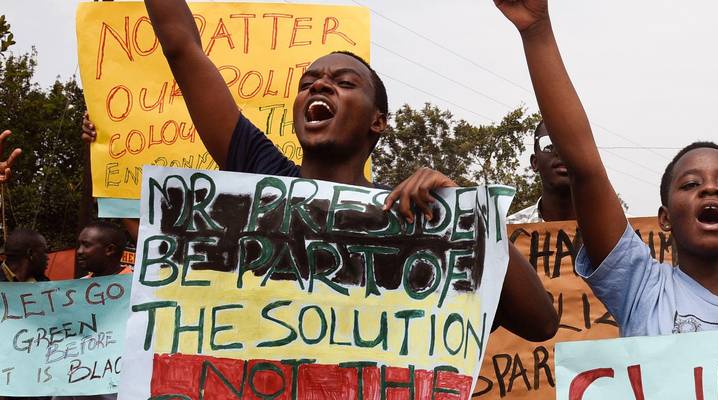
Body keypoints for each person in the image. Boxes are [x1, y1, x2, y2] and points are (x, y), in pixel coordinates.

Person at [140, 0, 557, 342]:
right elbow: (181, 47)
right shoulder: (260, 176)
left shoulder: (412, 218)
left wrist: (467, 216)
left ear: (378, 121)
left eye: (343, 82)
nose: (319, 86)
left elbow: (539, 322)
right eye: (308, 83)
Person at [489, 0, 718, 348]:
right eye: (691, 184)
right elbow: (585, 169)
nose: (711, 190)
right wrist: (537, 31)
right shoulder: (641, 286)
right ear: (665, 218)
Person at [507, 121, 576, 223]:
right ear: (535, 162)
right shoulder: (507, 229)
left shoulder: (602, 225)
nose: (561, 151)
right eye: (549, 144)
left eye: (572, 145)